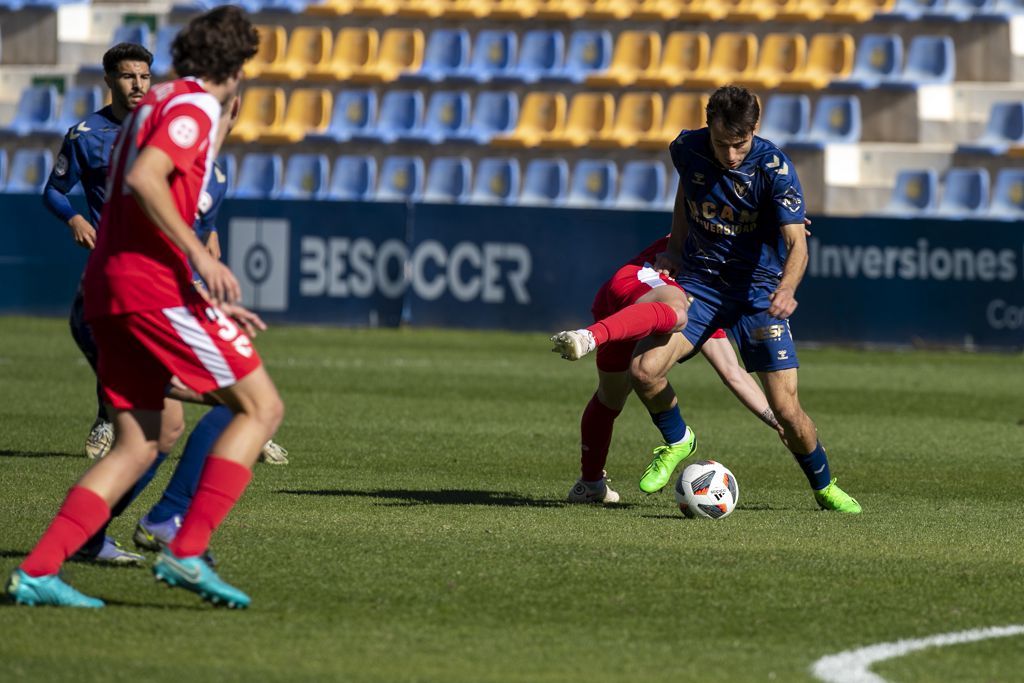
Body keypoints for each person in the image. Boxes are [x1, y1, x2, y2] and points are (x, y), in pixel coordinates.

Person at [7, 6, 281, 609]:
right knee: (260, 406)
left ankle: (39, 570)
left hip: (109, 286)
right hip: (148, 286)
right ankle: (183, 544)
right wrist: (201, 262)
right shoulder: (189, 107)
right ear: (234, 67)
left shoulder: (151, 108)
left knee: (147, 438)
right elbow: (148, 181)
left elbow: (165, 183)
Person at [553, 84, 860, 514]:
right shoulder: (687, 148)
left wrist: (787, 288)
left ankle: (825, 486)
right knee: (643, 370)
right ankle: (679, 440)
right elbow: (687, 194)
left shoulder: (775, 168)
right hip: (701, 285)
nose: (731, 155)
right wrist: (677, 247)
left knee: (787, 410)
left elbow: (798, 244)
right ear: (707, 129)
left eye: (740, 144)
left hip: (758, 295)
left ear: (754, 130)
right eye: (721, 144)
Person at [551, 239, 780, 504]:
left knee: (609, 397)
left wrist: (779, 421)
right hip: (638, 283)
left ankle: (590, 484)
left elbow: (733, 372)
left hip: (623, 301)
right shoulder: (714, 237)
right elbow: (691, 210)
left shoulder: (710, 297)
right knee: (677, 314)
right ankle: (590, 336)